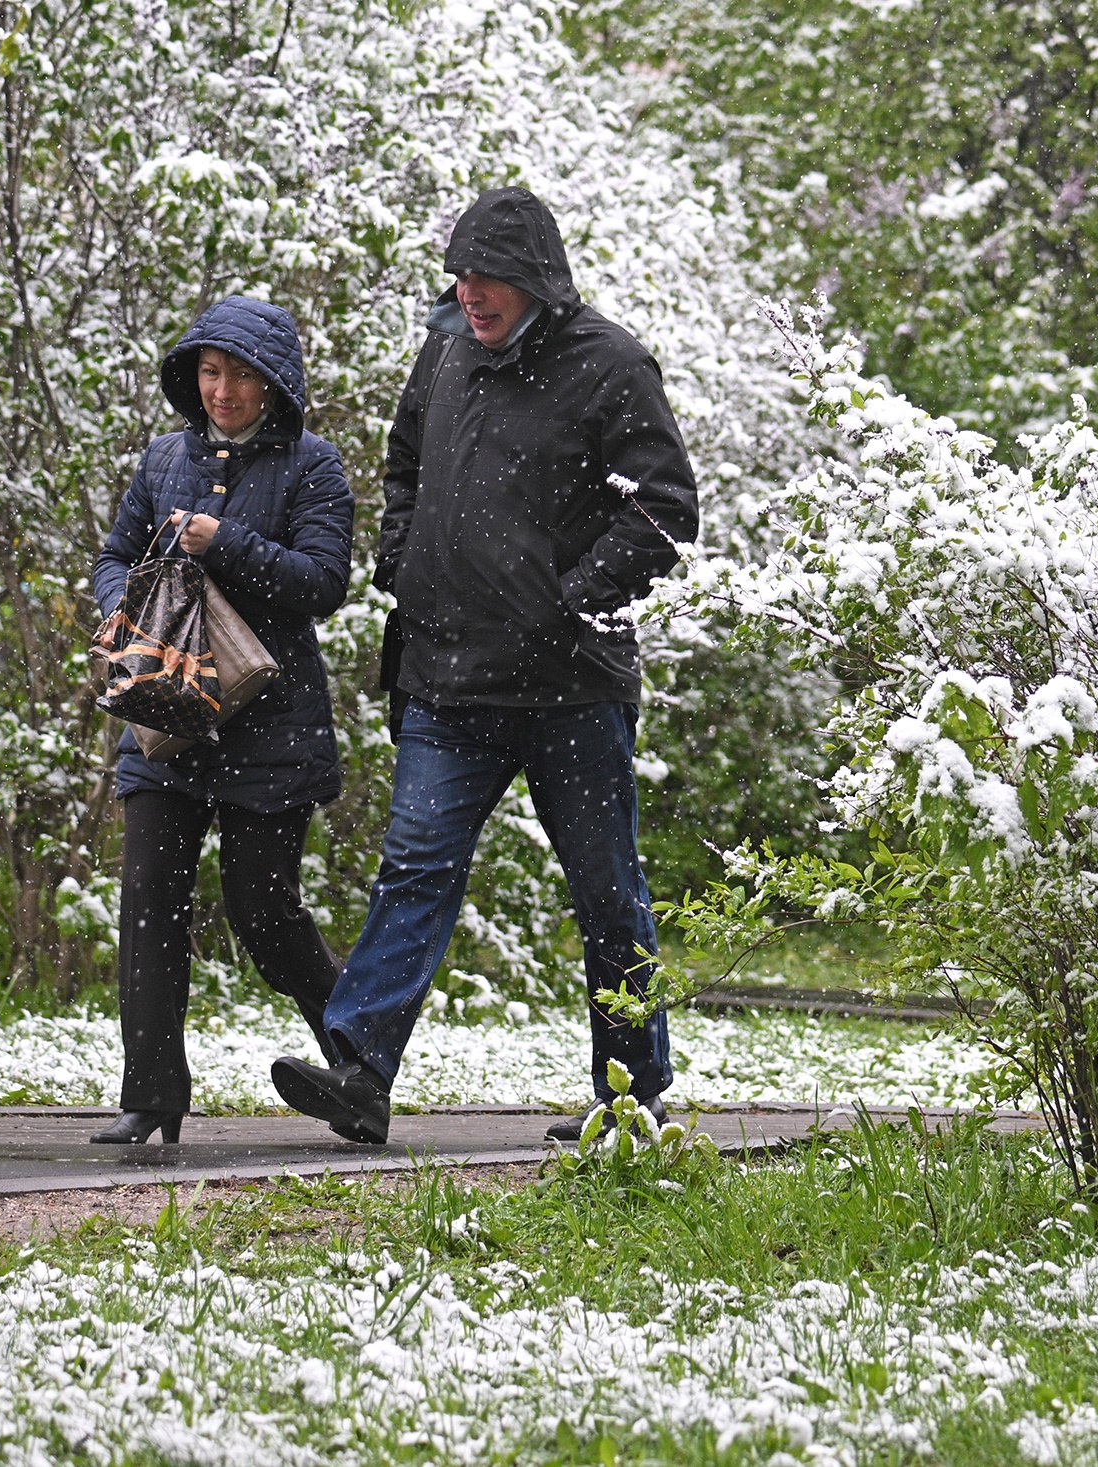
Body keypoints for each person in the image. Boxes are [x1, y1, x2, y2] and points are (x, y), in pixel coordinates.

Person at [268, 187, 700, 1145]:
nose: (469, 293)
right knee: (414, 868)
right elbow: (404, 464)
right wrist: (401, 558)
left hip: (572, 685)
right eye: (460, 275)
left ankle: (632, 1098)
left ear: (536, 278)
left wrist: (572, 596)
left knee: (606, 890)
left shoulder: (611, 364)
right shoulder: (446, 351)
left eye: (488, 276)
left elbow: (665, 507)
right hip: (448, 674)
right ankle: (360, 1070)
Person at [89, 297, 354, 1145]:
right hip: (164, 716)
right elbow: (114, 554)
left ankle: (359, 1061)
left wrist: (224, 542)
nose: (223, 390)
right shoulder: (163, 457)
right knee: (148, 903)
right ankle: (151, 1096)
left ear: (274, 383)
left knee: (264, 913)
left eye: (241, 374)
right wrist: (121, 605)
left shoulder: (315, 466)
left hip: (272, 732)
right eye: (210, 372)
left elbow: (324, 581)